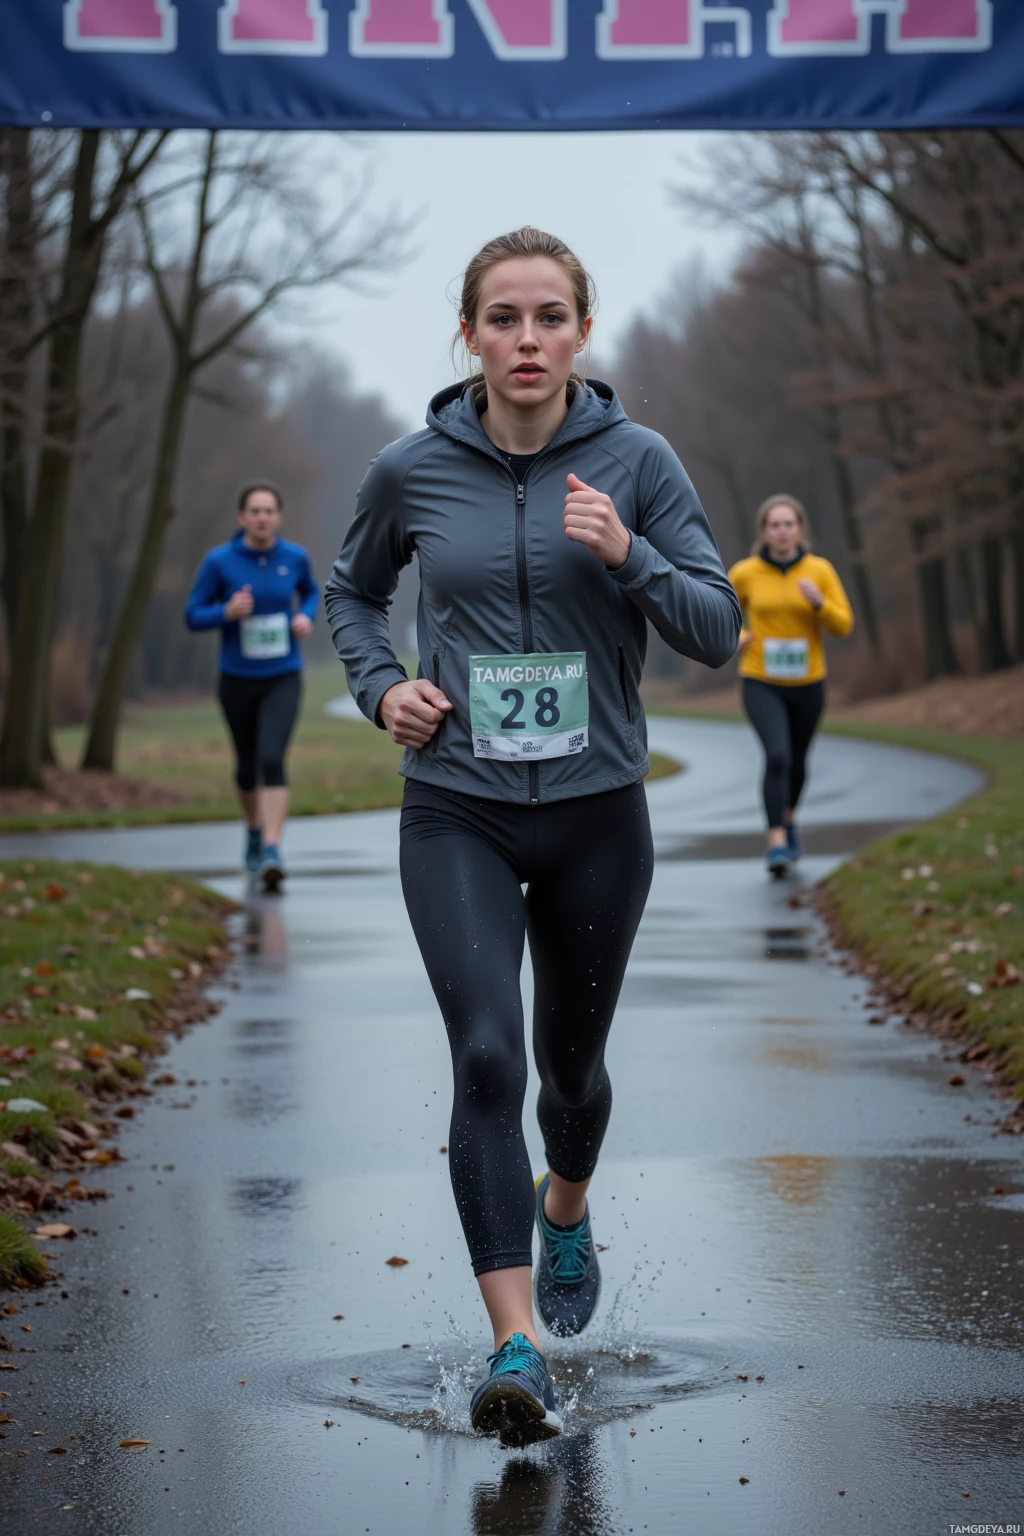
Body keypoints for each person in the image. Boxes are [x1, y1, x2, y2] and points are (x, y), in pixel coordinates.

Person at [325, 227, 740, 1447]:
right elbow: (350, 591)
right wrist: (379, 686)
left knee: (570, 1077)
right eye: (501, 318)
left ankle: (566, 1205)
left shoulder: (638, 460)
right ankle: (515, 1347)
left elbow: (715, 623)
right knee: (487, 1060)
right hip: (454, 800)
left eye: (548, 317)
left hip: (599, 811)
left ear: (581, 333)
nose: (525, 339)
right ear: (468, 335)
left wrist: (632, 553)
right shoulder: (410, 468)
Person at [185, 482, 317, 891]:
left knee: (271, 757)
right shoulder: (219, 562)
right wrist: (226, 611)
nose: (262, 518)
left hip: (283, 676)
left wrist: (305, 617)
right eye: (254, 511)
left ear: (279, 516)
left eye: (269, 511)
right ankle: (255, 831)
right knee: (246, 766)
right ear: (242, 517)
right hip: (237, 679)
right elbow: (193, 615)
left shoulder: (294, 557)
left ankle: (273, 850)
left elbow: (311, 591)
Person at [728, 494, 854, 877]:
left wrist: (820, 605)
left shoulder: (819, 571)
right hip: (760, 679)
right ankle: (777, 842)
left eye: (789, 524)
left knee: (798, 761)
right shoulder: (745, 572)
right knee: (778, 755)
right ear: (763, 532)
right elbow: (721, 612)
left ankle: (788, 816)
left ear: (800, 529)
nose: (782, 532)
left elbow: (843, 626)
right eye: (774, 525)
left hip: (808, 682)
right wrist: (738, 635)